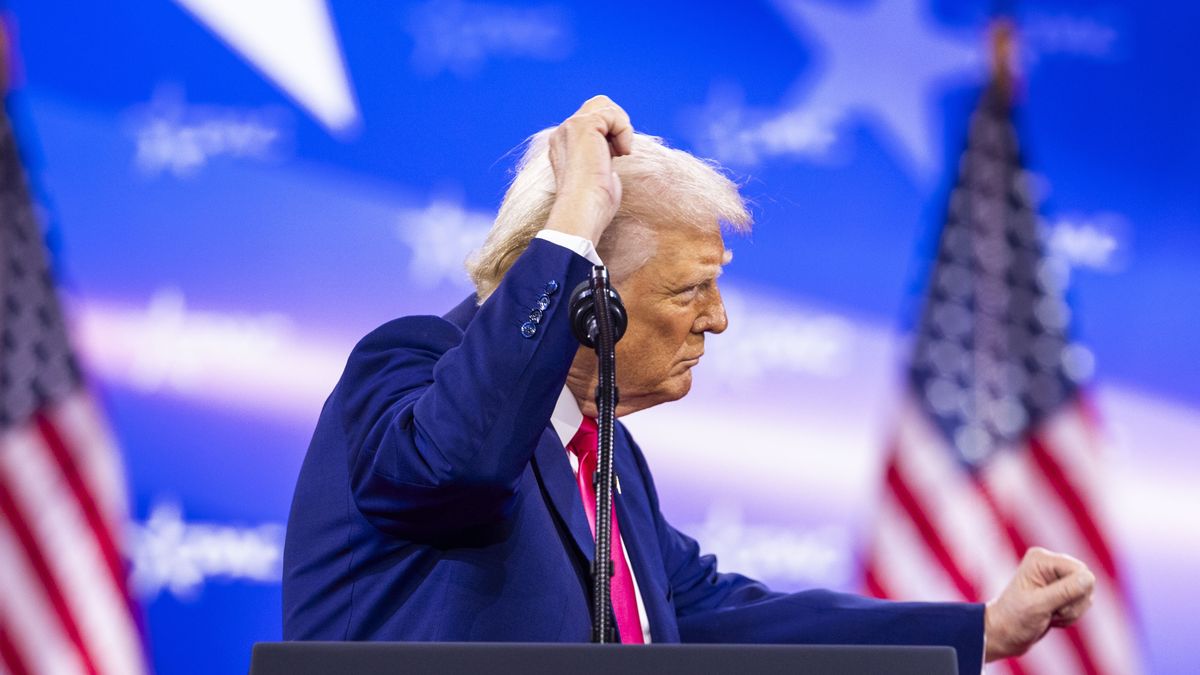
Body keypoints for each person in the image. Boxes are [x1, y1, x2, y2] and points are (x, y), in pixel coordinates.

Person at [282, 96, 1094, 673]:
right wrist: (572, 222)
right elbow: (459, 465)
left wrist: (978, 627)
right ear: (586, 295)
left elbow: (717, 618)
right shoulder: (404, 370)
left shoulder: (608, 459)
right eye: (688, 290)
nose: (717, 320)